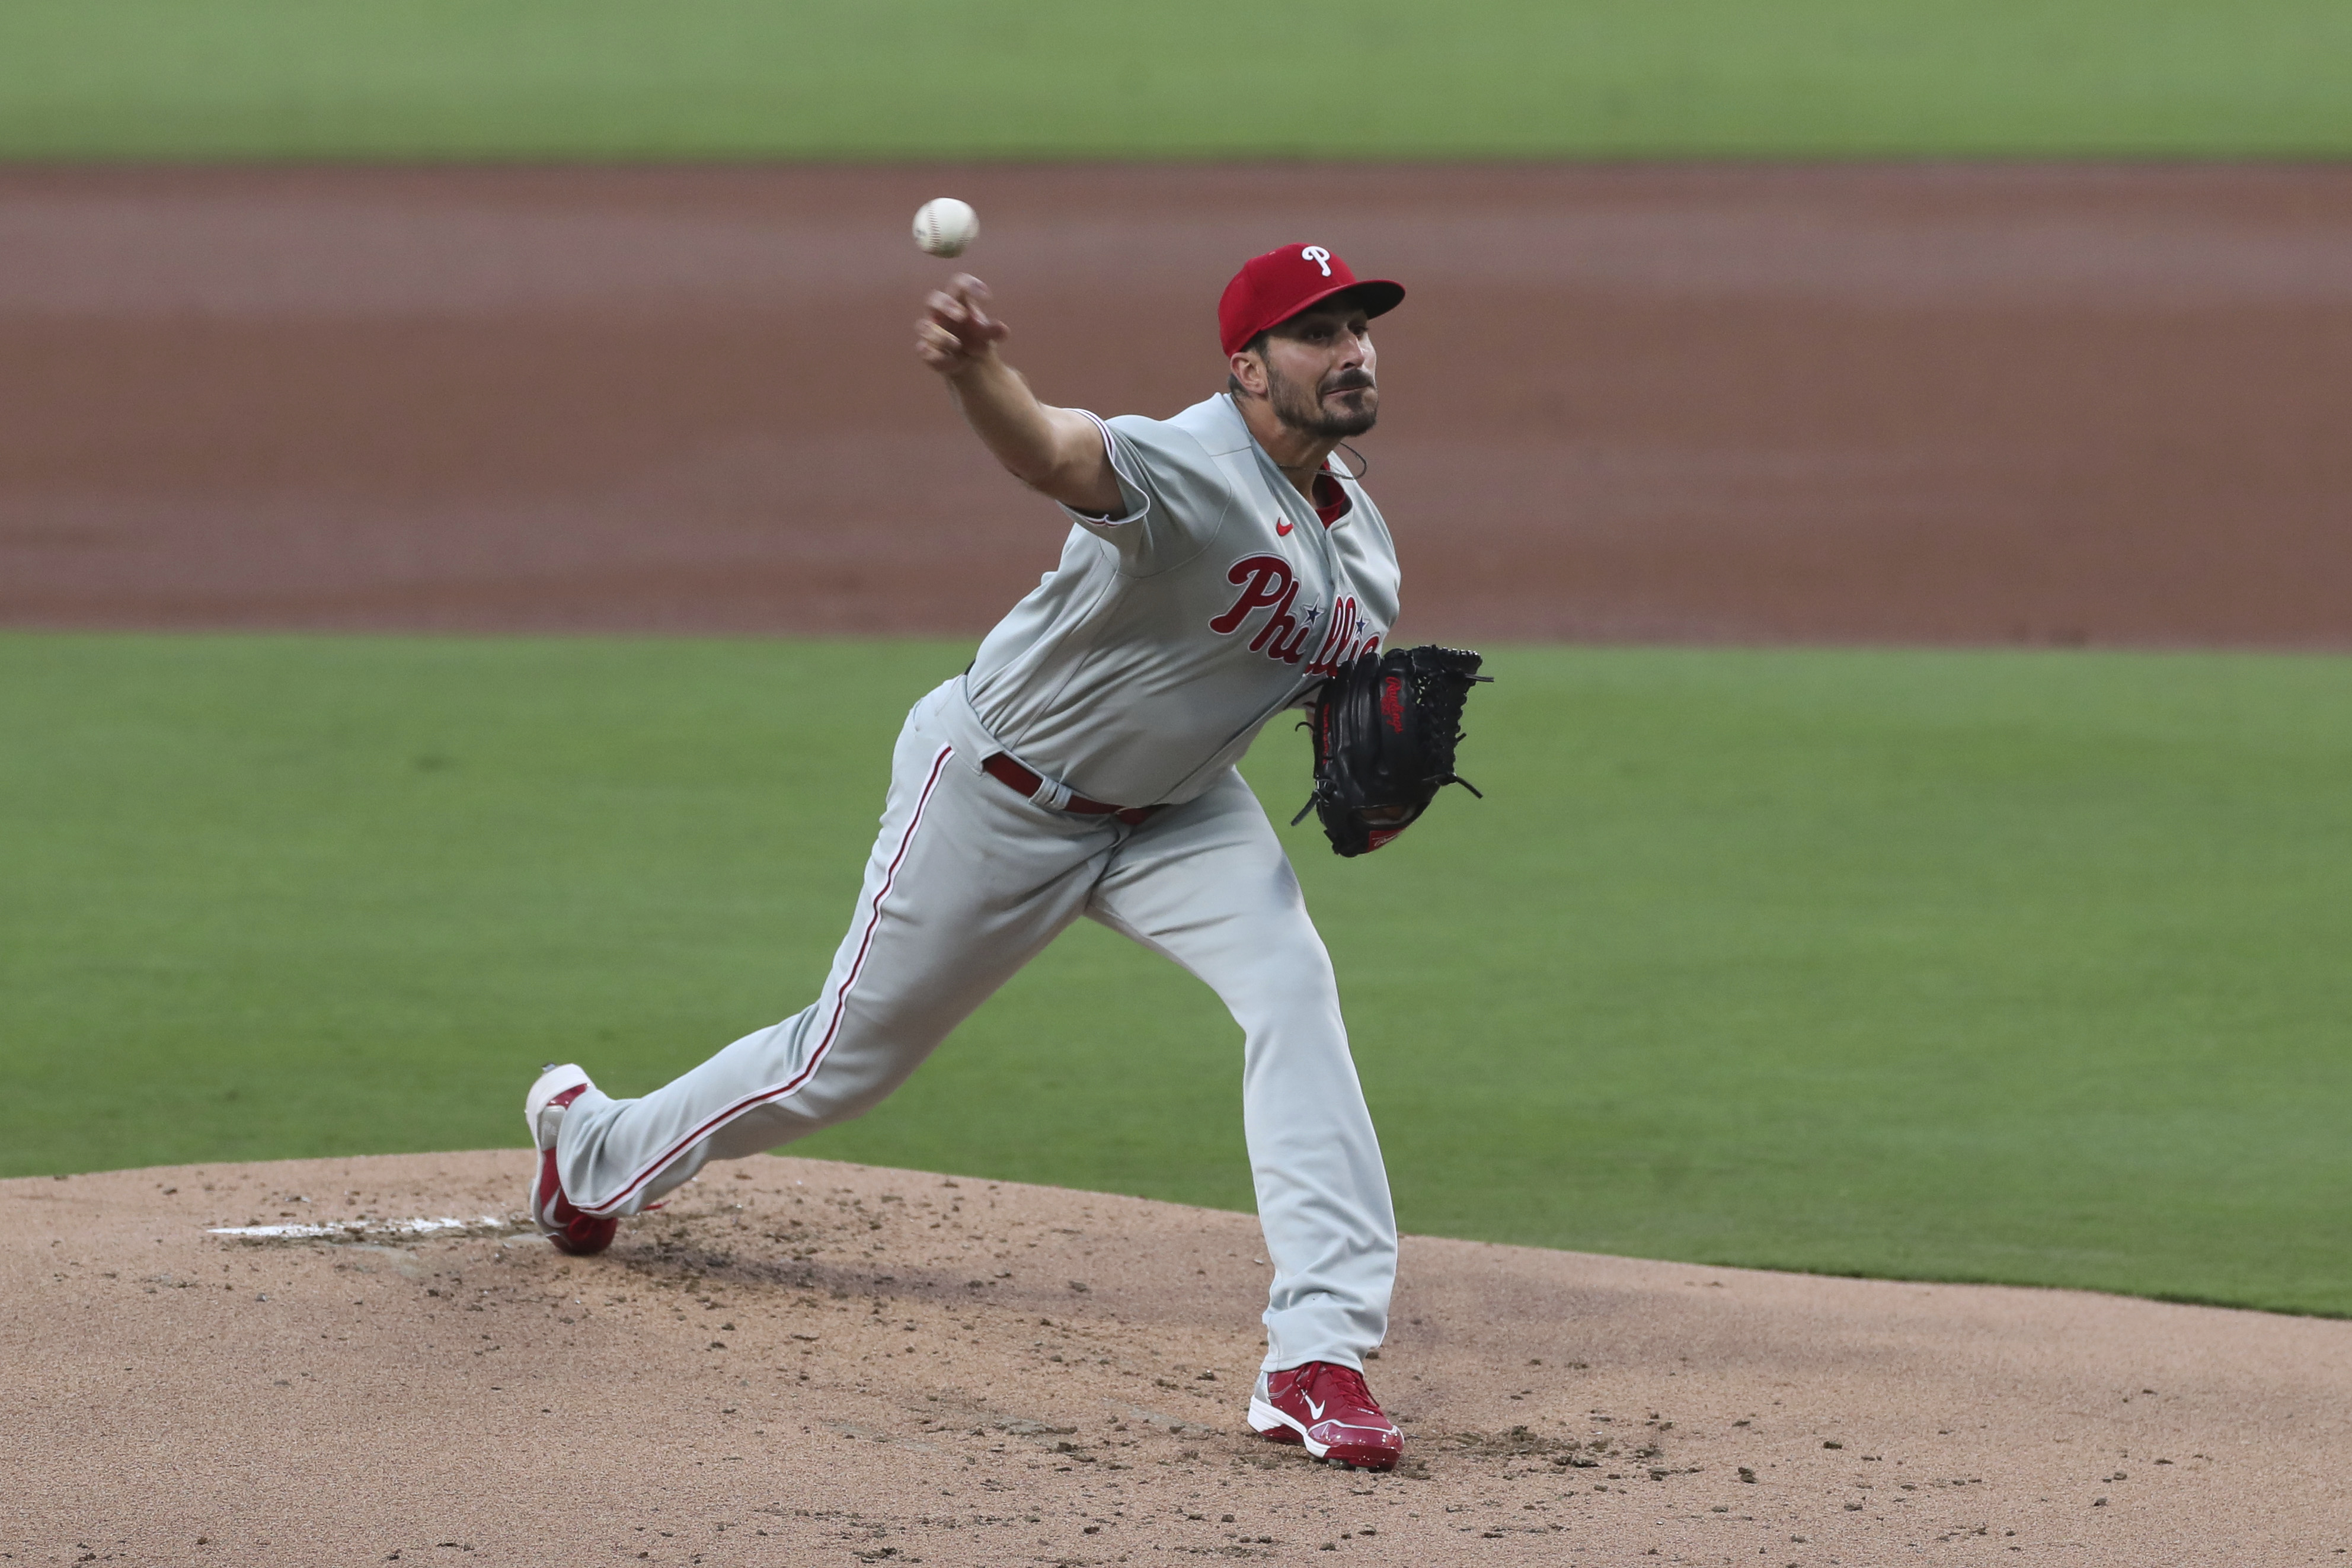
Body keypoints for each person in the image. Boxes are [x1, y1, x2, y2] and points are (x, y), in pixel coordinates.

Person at [524, 243, 1414, 1470]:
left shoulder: (1365, 550)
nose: (1352, 350)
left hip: (1178, 816)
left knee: (1293, 988)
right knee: (834, 1065)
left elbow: (1316, 700)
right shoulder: (1186, 462)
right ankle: (591, 1153)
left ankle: (1317, 1355)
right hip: (1001, 795)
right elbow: (1052, 450)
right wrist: (979, 375)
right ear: (1247, 368)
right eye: (1318, 333)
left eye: (1360, 327)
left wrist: (1362, 752)